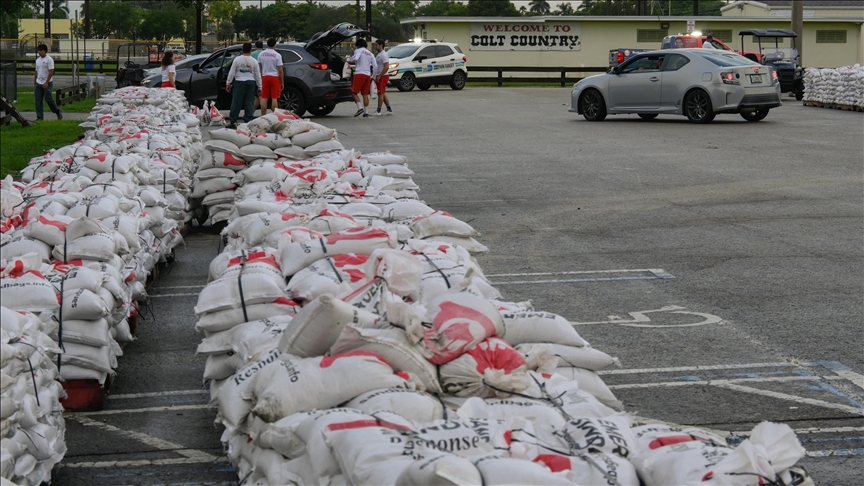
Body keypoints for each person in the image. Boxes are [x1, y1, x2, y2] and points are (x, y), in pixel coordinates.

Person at [225, 42, 262, 128]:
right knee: (249, 102)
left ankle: (233, 121)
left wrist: (228, 83)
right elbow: (257, 75)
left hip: (239, 82)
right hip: (251, 82)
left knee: (236, 102)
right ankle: (248, 121)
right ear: (250, 50)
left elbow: (232, 72)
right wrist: (260, 86)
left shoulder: (237, 59)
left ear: (242, 49)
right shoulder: (254, 61)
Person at [346, 38, 377, 117]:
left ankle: (360, 108)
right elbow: (375, 66)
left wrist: (348, 59)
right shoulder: (370, 53)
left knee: (354, 92)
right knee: (365, 94)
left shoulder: (358, 50)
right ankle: (366, 112)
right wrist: (373, 75)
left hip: (359, 73)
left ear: (358, 45)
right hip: (367, 75)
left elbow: (355, 58)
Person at [34, 44, 62, 121]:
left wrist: (46, 82)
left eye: (40, 50)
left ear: (44, 51)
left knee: (48, 99)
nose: (39, 52)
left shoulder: (49, 60)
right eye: (38, 50)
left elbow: (51, 71)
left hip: (47, 82)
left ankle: (57, 110)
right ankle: (40, 117)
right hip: (39, 82)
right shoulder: (37, 60)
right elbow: (36, 71)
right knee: (38, 100)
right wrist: (35, 82)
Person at [258, 38, 283, 116]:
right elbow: (280, 70)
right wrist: (282, 81)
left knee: (264, 98)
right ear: (275, 45)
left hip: (264, 77)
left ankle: (263, 116)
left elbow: (260, 68)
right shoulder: (277, 55)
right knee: (274, 98)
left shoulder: (261, 54)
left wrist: (260, 79)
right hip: (275, 77)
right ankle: (275, 115)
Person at [371, 39, 393, 116]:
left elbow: (386, 67)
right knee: (382, 93)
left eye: (376, 45)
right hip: (380, 75)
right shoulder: (379, 54)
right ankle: (389, 109)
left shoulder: (384, 55)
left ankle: (378, 110)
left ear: (381, 45)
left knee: (380, 93)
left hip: (383, 76)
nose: (375, 46)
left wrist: (380, 75)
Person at [251, 40, 264, 113]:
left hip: (255, 78)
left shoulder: (252, 54)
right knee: (261, 97)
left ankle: (251, 112)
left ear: (255, 46)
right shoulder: (264, 54)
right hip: (264, 77)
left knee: (258, 97)